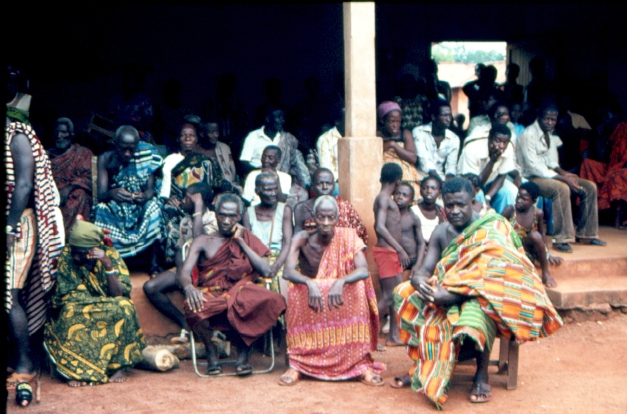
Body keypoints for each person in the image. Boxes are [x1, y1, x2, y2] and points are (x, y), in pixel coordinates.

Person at [393, 177, 563, 408]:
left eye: (460, 205)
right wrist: (419, 280)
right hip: (445, 290)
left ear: (472, 201)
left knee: (479, 309)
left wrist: (452, 296)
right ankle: (424, 364)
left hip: (481, 294)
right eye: (449, 205)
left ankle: (481, 375)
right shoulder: (442, 231)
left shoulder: (491, 229)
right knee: (404, 292)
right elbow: (425, 268)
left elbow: (494, 279)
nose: (454, 211)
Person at [279, 196, 385, 386]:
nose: (326, 223)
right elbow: (288, 271)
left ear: (338, 217)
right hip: (313, 296)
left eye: (331, 218)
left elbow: (363, 269)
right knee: (296, 287)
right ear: (314, 216)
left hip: (339, 296)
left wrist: (340, 281)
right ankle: (298, 364)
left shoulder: (349, 236)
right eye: (321, 217)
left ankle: (360, 365)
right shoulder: (301, 239)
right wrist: (311, 283)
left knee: (360, 284)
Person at [179, 193, 286, 376]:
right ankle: (211, 350)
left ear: (239, 216)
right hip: (212, 292)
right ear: (215, 213)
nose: (227, 221)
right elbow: (184, 272)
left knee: (272, 300)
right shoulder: (203, 240)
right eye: (222, 215)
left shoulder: (246, 238)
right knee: (193, 307)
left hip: (241, 291)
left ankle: (243, 354)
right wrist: (189, 287)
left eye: (232, 216)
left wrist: (241, 242)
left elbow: (267, 271)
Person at [5, 82, 64, 395]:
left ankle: (26, 364)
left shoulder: (17, 135)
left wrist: (9, 227)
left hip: (19, 226)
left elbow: (24, 187)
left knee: (10, 295)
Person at [43, 220, 146, 386]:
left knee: (125, 308)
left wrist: (108, 266)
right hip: (78, 305)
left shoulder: (110, 255)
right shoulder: (67, 256)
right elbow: (69, 295)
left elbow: (119, 294)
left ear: (93, 250)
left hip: (105, 304)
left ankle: (118, 367)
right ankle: (75, 371)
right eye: (74, 251)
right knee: (70, 313)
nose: (75, 256)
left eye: (81, 253)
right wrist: (98, 305)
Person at [516, 102, 606, 253]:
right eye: (547, 119)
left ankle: (587, 235)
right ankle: (561, 239)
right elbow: (534, 167)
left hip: (548, 175)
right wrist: (563, 179)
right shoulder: (528, 135)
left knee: (589, 187)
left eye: (553, 119)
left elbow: (551, 161)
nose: (550, 122)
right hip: (531, 178)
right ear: (539, 117)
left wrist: (564, 173)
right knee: (561, 188)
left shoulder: (549, 134)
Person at [143, 183, 217, 340]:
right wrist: (180, 269)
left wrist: (198, 207)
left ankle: (208, 329)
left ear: (199, 200)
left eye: (187, 198)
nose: (182, 201)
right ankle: (184, 322)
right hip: (186, 267)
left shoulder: (214, 220)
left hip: (206, 269)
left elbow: (199, 240)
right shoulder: (185, 220)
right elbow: (179, 249)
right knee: (151, 287)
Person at [93, 125, 164, 271]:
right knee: (100, 210)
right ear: (115, 144)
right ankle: (110, 262)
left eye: (132, 149)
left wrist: (143, 197)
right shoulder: (105, 158)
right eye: (123, 149)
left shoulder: (145, 156)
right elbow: (101, 195)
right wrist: (112, 193)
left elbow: (150, 191)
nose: (127, 154)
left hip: (138, 209)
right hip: (116, 210)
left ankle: (154, 264)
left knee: (154, 207)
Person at [159, 120, 220, 267]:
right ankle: (174, 261)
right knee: (169, 214)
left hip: (204, 205)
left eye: (191, 135)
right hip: (181, 204)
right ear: (178, 139)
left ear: (197, 139)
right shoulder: (170, 161)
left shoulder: (205, 161)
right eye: (183, 135)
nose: (187, 139)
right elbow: (166, 193)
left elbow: (215, 186)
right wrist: (170, 199)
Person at [373, 163, 408, 349]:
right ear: (398, 180)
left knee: (395, 296)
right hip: (387, 252)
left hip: (391, 252)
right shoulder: (384, 199)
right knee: (387, 296)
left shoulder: (385, 198)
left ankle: (394, 336)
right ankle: (369, 336)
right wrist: (399, 248)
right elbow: (379, 227)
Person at [502, 182, 561, 287]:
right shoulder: (510, 210)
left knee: (535, 235)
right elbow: (497, 226)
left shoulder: (537, 213)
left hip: (529, 250)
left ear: (533, 201)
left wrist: (547, 254)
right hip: (512, 248)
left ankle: (546, 273)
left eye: (524, 199)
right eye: (518, 196)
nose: (519, 200)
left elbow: (542, 233)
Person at [243, 172, 293, 296]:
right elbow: (248, 243)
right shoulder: (248, 213)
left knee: (281, 279)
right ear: (257, 190)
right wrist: (259, 263)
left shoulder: (285, 210)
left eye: (276, 188)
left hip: (279, 258)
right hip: (256, 258)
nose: (273, 193)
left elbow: (287, 242)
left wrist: (276, 266)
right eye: (268, 189)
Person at [239, 104, 311, 189]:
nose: (282, 120)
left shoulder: (287, 138)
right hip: (258, 179)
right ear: (268, 119)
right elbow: (243, 163)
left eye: (283, 117)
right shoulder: (253, 136)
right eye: (279, 117)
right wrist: (262, 171)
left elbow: (295, 162)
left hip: (281, 181)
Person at [293, 168, 368, 245]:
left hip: (341, 254)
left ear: (334, 185)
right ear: (313, 185)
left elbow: (360, 234)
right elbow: (297, 238)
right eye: (320, 183)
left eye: (328, 183)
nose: (324, 187)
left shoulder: (345, 207)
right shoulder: (302, 208)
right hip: (311, 254)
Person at [458, 123, 521, 214]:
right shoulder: (471, 149)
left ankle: (501, 223)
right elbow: (474, 184)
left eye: (505, 142)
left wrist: (488, 197)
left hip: (492, 181)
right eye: (497, 141)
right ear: (489, 139)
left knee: (510, 191)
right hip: (469, 184)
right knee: (478, 194)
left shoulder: (508, 148)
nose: (501, 146)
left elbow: (502, 176)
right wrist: (493, 160)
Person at [47, 117, 94, 231]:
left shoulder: (83, 153)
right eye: (56, 132)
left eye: (63, 132)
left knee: (80, 195)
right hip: (50, 195)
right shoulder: (46, 155)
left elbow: (89, 179)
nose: (59, 136)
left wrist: (69, 187)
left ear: (71, 134)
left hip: (73, 195)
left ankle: (73, 237)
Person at [580, 122, 627, 228]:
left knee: (615, 174)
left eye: (608, 116)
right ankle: (586, 209)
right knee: (587, 163)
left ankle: (620, 215)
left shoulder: (623, 128)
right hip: (612, 167)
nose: (606, 119)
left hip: (622, 170)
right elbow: (602, 156)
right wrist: (600, 135)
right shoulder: (616, 132)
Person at [377, 101, 423, 201]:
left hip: (406, 175)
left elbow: (413, 158)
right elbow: (374, 154)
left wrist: (393, 145)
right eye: (391, 121)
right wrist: (387, 144)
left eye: (398, 121)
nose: (395, 125)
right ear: (382, 121)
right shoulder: (378, 135)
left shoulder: (405, 133)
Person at [413, 100, 460, 180]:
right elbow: (424, 162)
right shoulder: (419, 132)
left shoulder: (454, 139)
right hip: (420, 177)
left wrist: (447, 184)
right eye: (444, 115)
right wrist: (439, 183)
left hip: (441, 179)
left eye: (449, 115)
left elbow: (451, 167)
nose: (448, 119)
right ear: (433, 117)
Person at [197, 119, 242, 193]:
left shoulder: (224, 148)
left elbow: (232, 172)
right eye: (211, 132)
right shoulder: (196, 150)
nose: (216, 135)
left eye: (217, 131)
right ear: (202, 133)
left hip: (226, 188)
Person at [393, 181, 426, 276]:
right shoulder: (389, 217)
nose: (400, 197)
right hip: (397, 258)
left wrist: (418, 264)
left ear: (411, 201)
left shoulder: (413, 218)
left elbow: (421, 243)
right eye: (397, 193)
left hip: (413, 258)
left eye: (404, 195)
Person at [410, 173, 447, 245]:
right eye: (425, 188)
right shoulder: (413, 211)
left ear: (439, 192)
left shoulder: (442, 212)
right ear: (420, 190)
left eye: (433, 188)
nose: (429, 191)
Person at [316, 102, 344, 188]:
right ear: (337, 121)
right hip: (335, 183)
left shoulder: (357, 137)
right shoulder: (325, 139)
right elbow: (327, 171)